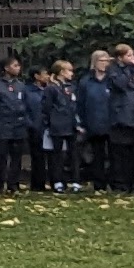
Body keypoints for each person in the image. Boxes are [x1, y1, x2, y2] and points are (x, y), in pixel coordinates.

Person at [103, 49, 134, 195]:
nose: (132, 58)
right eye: (128, 56)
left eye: (133, 55)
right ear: (120, 57)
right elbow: (120, 85)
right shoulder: (112, 70)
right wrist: (128, 70)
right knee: (121, 154)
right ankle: (121, 185)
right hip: (120, 119)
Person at [0, 58, 37, 193]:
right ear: (6, 68)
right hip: (3, 126)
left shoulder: (21, 86)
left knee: (17, 157)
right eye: (15, 65)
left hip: (19, 125)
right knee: (1, 156)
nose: (18, 68)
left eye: (19, 65)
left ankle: (13, 184)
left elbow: (25, 104)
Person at [37, 61, 80, 192]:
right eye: (69, 70)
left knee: (73, 155)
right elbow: (46, 108)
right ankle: (58, 181)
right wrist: (49, 123)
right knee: (57, 155)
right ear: (61, 72)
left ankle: (75, 181)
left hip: (71, 125)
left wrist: (76, 123)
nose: (72, 73)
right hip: (57, 126)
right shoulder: (51, 88)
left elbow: (74, 106)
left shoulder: (71, 87)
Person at [75, 53, 112, 191]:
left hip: (112, 123)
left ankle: (114, 182)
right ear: (94, 63)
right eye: (102, 61)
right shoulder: (86, 82)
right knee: (97, 156)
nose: (105, 64)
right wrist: (81, 123)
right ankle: (99, 184)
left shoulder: (112, 80)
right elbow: (80, 103)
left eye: (107, 61)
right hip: (93, 123)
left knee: (114, 155)